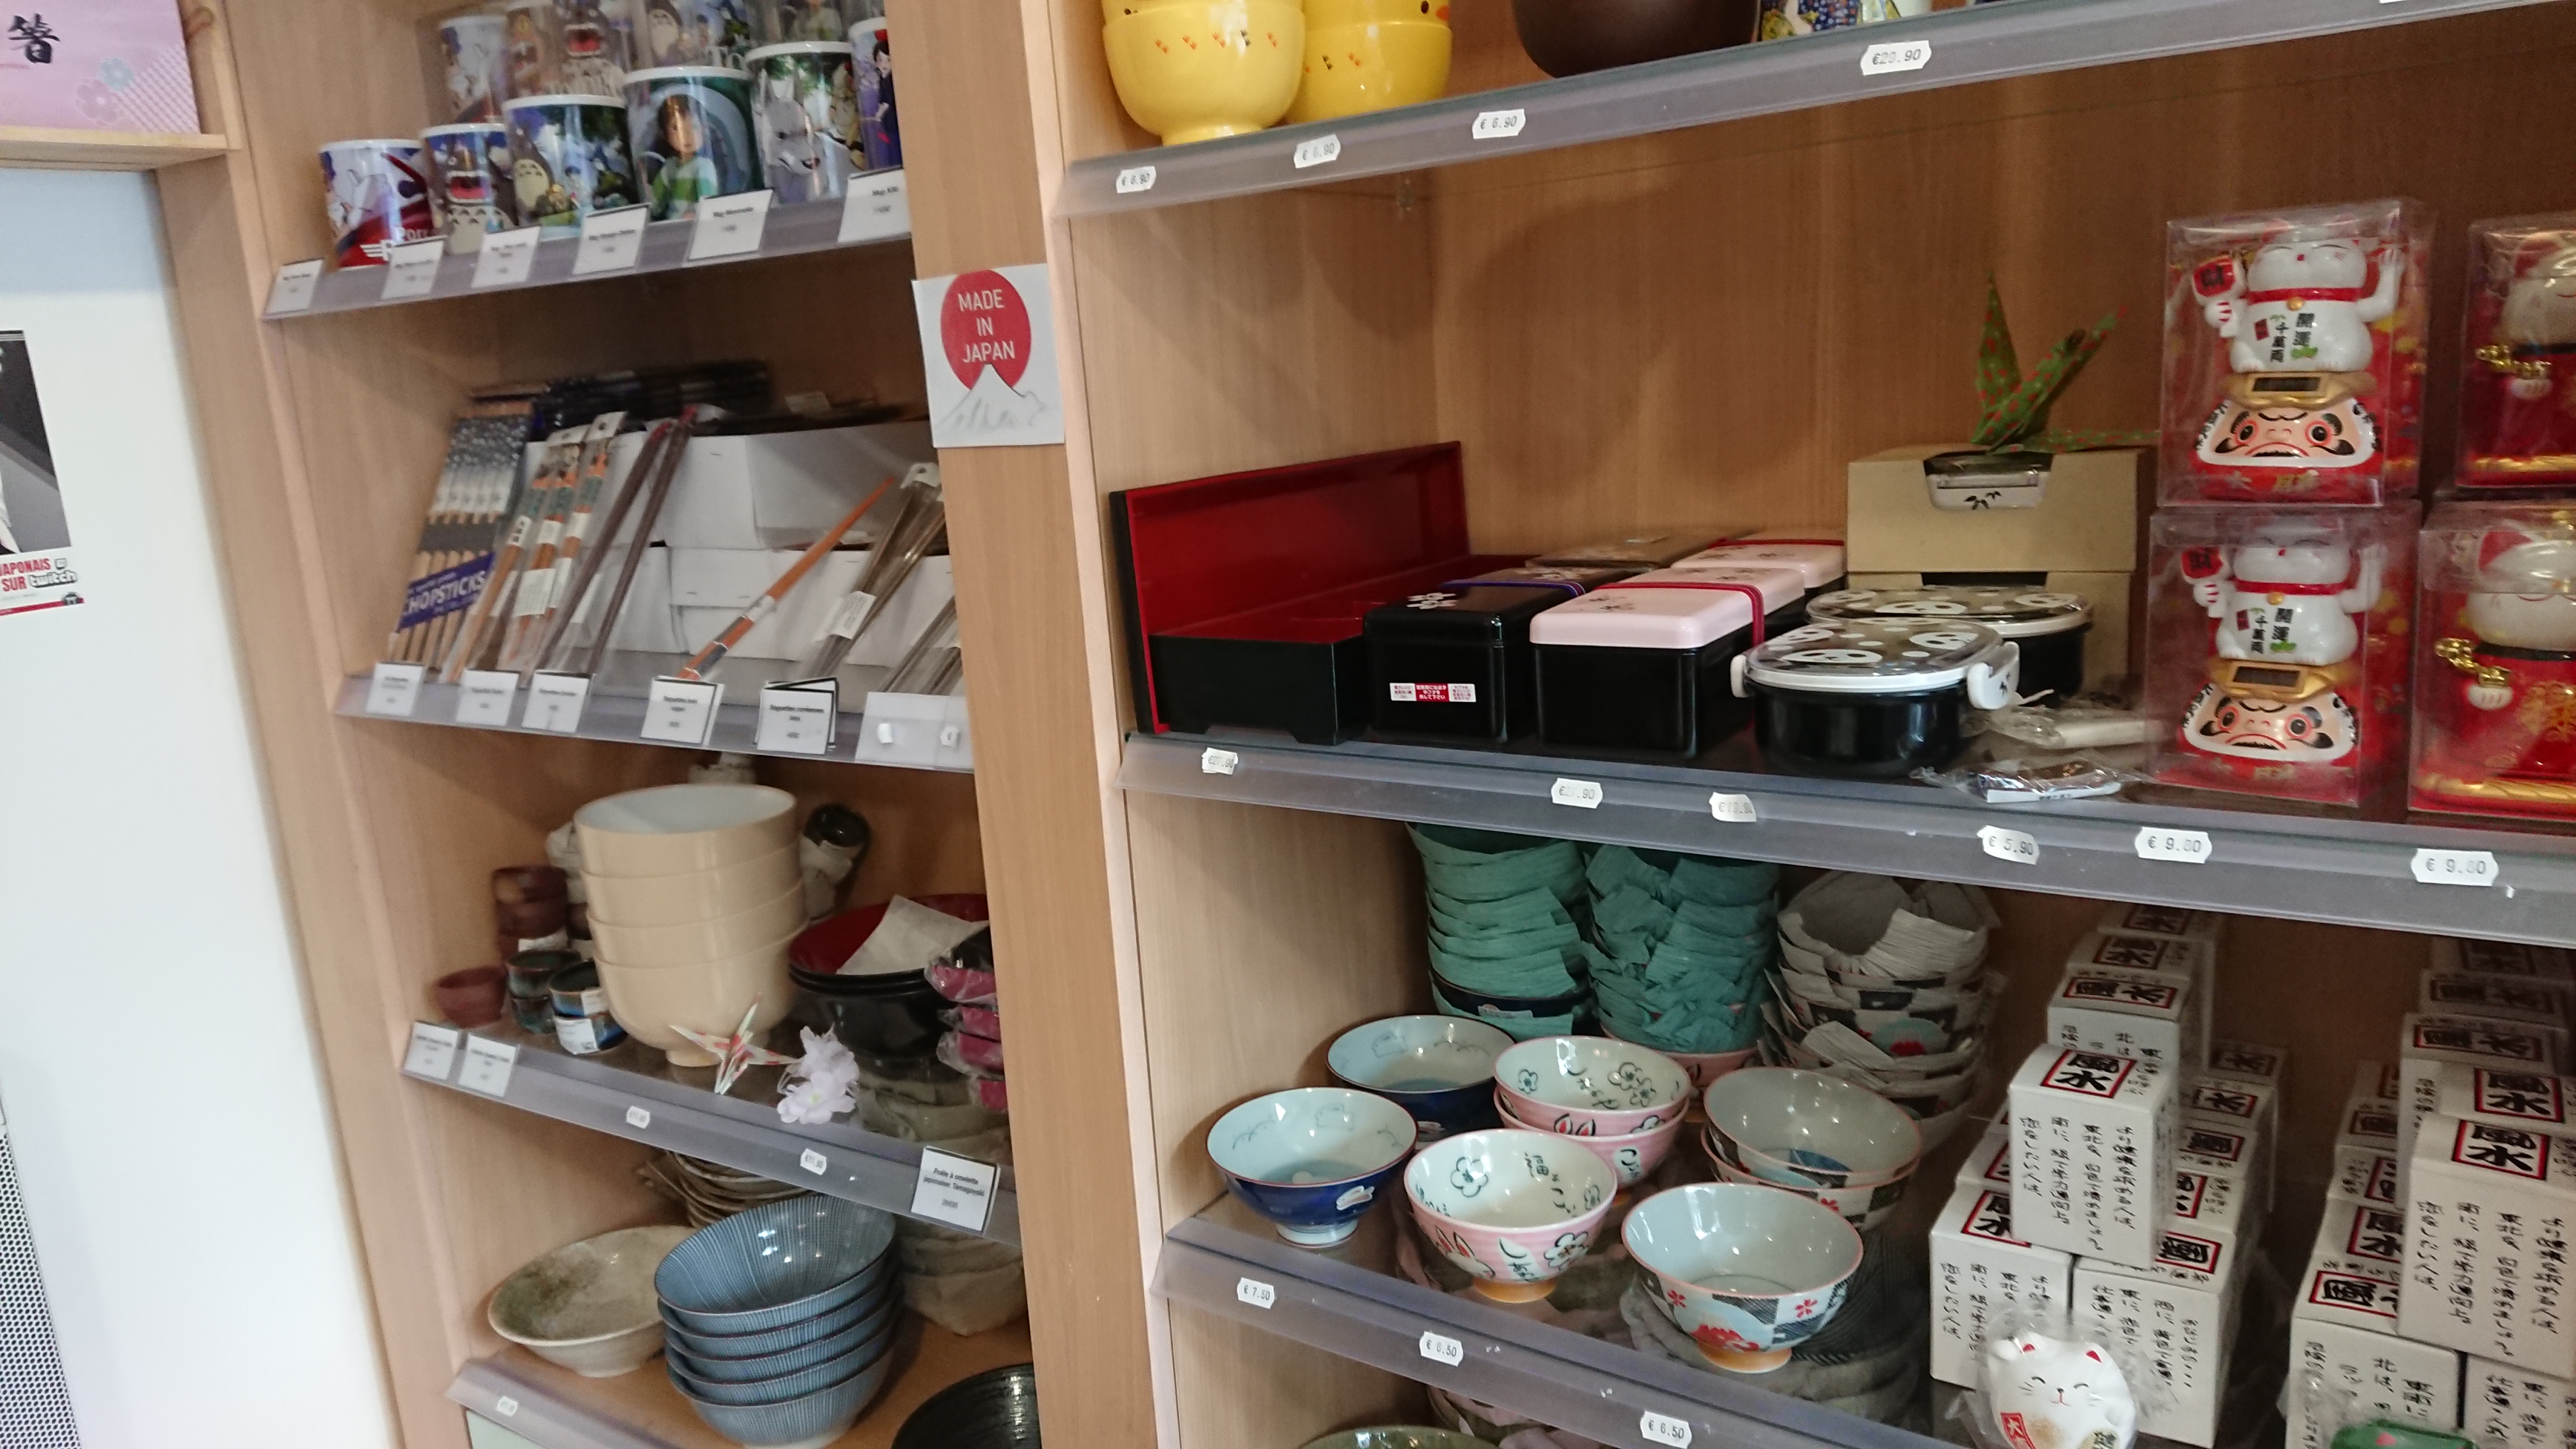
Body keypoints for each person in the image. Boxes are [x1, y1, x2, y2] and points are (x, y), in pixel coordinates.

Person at [650, 92, 722, 216]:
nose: (687, 135)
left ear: (704, 129)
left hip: (696, 221)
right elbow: (656, 201)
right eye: (676, 128)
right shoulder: (670, 166)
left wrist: (695, 212)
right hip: (673, 222)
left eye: (694, 126)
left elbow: (708, 198)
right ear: (665, 133)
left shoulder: (704, 166)